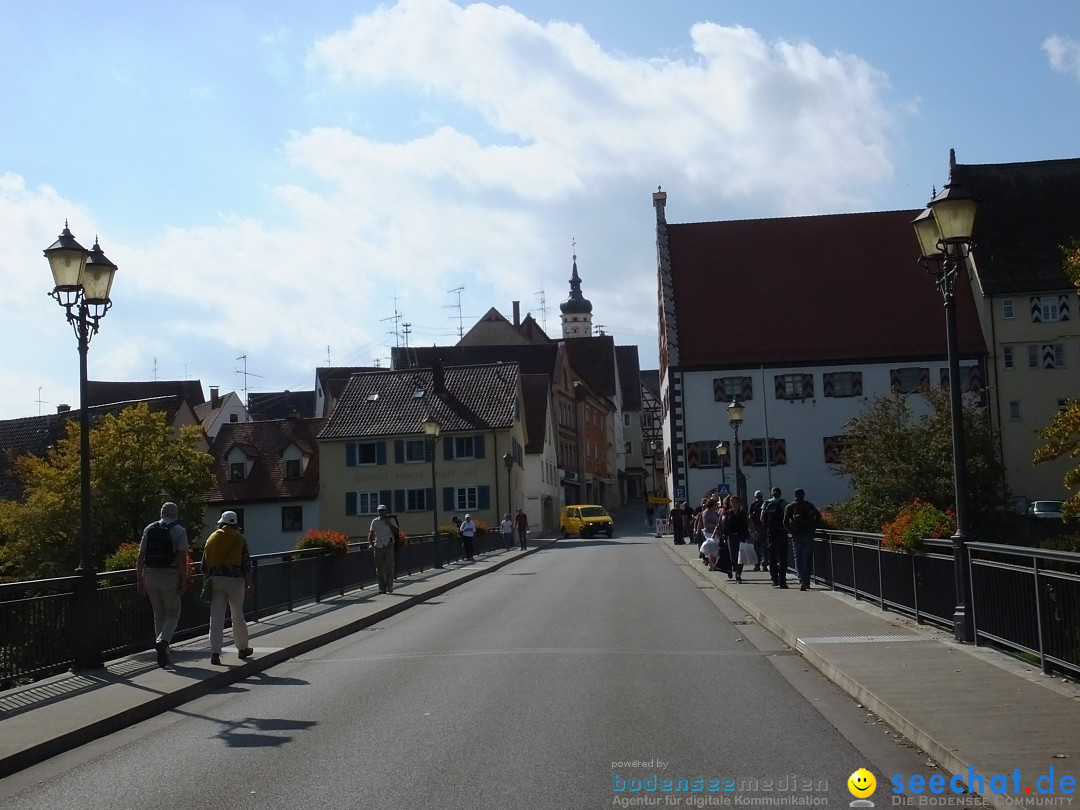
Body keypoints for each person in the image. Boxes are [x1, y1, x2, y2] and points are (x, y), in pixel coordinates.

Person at [136, 502, 189, 668]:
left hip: (150, 573)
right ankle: (163, 641)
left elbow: (140, 555)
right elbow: (181, 557)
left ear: (161, 513)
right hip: (169, 574)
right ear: (176, 514)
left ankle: (163, 653)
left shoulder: (149, 528)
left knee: (158, 612)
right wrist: (183, 578)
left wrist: (140, 578)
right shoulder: (179, 531)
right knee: (173, 612)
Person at [202, 510, 254, 665]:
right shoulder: (240, 539)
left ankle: (215, 652)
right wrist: (250, 582)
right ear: (235, 523)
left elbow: (204, 565)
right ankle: (242, 648)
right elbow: (246, 563)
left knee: (216, 616)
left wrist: (207, 579)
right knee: (237, 615)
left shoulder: (212, 538)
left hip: (216, 580)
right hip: (235, 580)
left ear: (222, 523)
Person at [784, 488, 822, 591]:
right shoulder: (809, 505)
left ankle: (801, 580)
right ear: (803, 495)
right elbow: (818, 515)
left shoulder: (790, 506)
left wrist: (791, 531)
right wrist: (813, 527)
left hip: (796, 534)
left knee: (798, 557)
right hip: (808, 533)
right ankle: (807, 580)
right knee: (808, 557)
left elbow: (785, 522)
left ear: (795, 495)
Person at [761, 487, 789, 588]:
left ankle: (774, 579)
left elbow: (762, 518)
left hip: (771, 533)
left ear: (772, 494)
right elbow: (788, 518)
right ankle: (782, 580)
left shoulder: (767, 503)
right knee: (782, 557)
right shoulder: (785, 503)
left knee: (772, 557)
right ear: (780, 494)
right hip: (782, 532)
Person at [368, 504, 399, 593]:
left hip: (389, 545)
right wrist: (370, 544)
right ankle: (382, 588)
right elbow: (371, 533)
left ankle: (389, 585)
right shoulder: (375, 521)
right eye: (379, 511)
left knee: (389, 566)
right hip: (378, 545)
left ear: (386, 511)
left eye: (383, 510)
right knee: (379, 568)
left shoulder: (391, 520)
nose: (381, 512)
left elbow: (397, 532)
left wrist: (389, 524)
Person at [722, 495, 750, 584]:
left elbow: (745, 525)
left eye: (735, 502)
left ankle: (738, 574)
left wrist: (747, 537)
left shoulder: (742, 513)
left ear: (739, 503)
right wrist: (724, 536)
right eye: (732, 502)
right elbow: (725, 526)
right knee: (733, 556)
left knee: (740, 556)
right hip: (731, 536)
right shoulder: (728, 513)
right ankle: (735, 569)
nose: (733, 504)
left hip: (740, 536)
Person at [748, 490, 766, 572]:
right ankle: (765, 564)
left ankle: (757, 565)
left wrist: (752, 529)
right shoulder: (765, 504)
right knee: (765, 548)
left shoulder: (753, 505)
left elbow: (750, 517)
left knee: (757, 548)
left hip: (756, 528)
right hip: (764, 528)